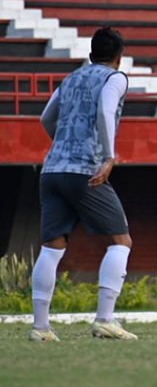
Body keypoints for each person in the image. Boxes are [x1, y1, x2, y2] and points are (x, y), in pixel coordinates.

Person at [29, 27, 137, 341]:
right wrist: (108, 156)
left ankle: (41, 328)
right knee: (121, 240)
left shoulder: (71, 78)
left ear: (91, 54)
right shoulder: (115, 78)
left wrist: (65, 144)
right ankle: (104, 320)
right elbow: (105, 110)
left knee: (52, 246)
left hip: (51, 170)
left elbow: (46, 118)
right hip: (85, 170)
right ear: (119, 56)